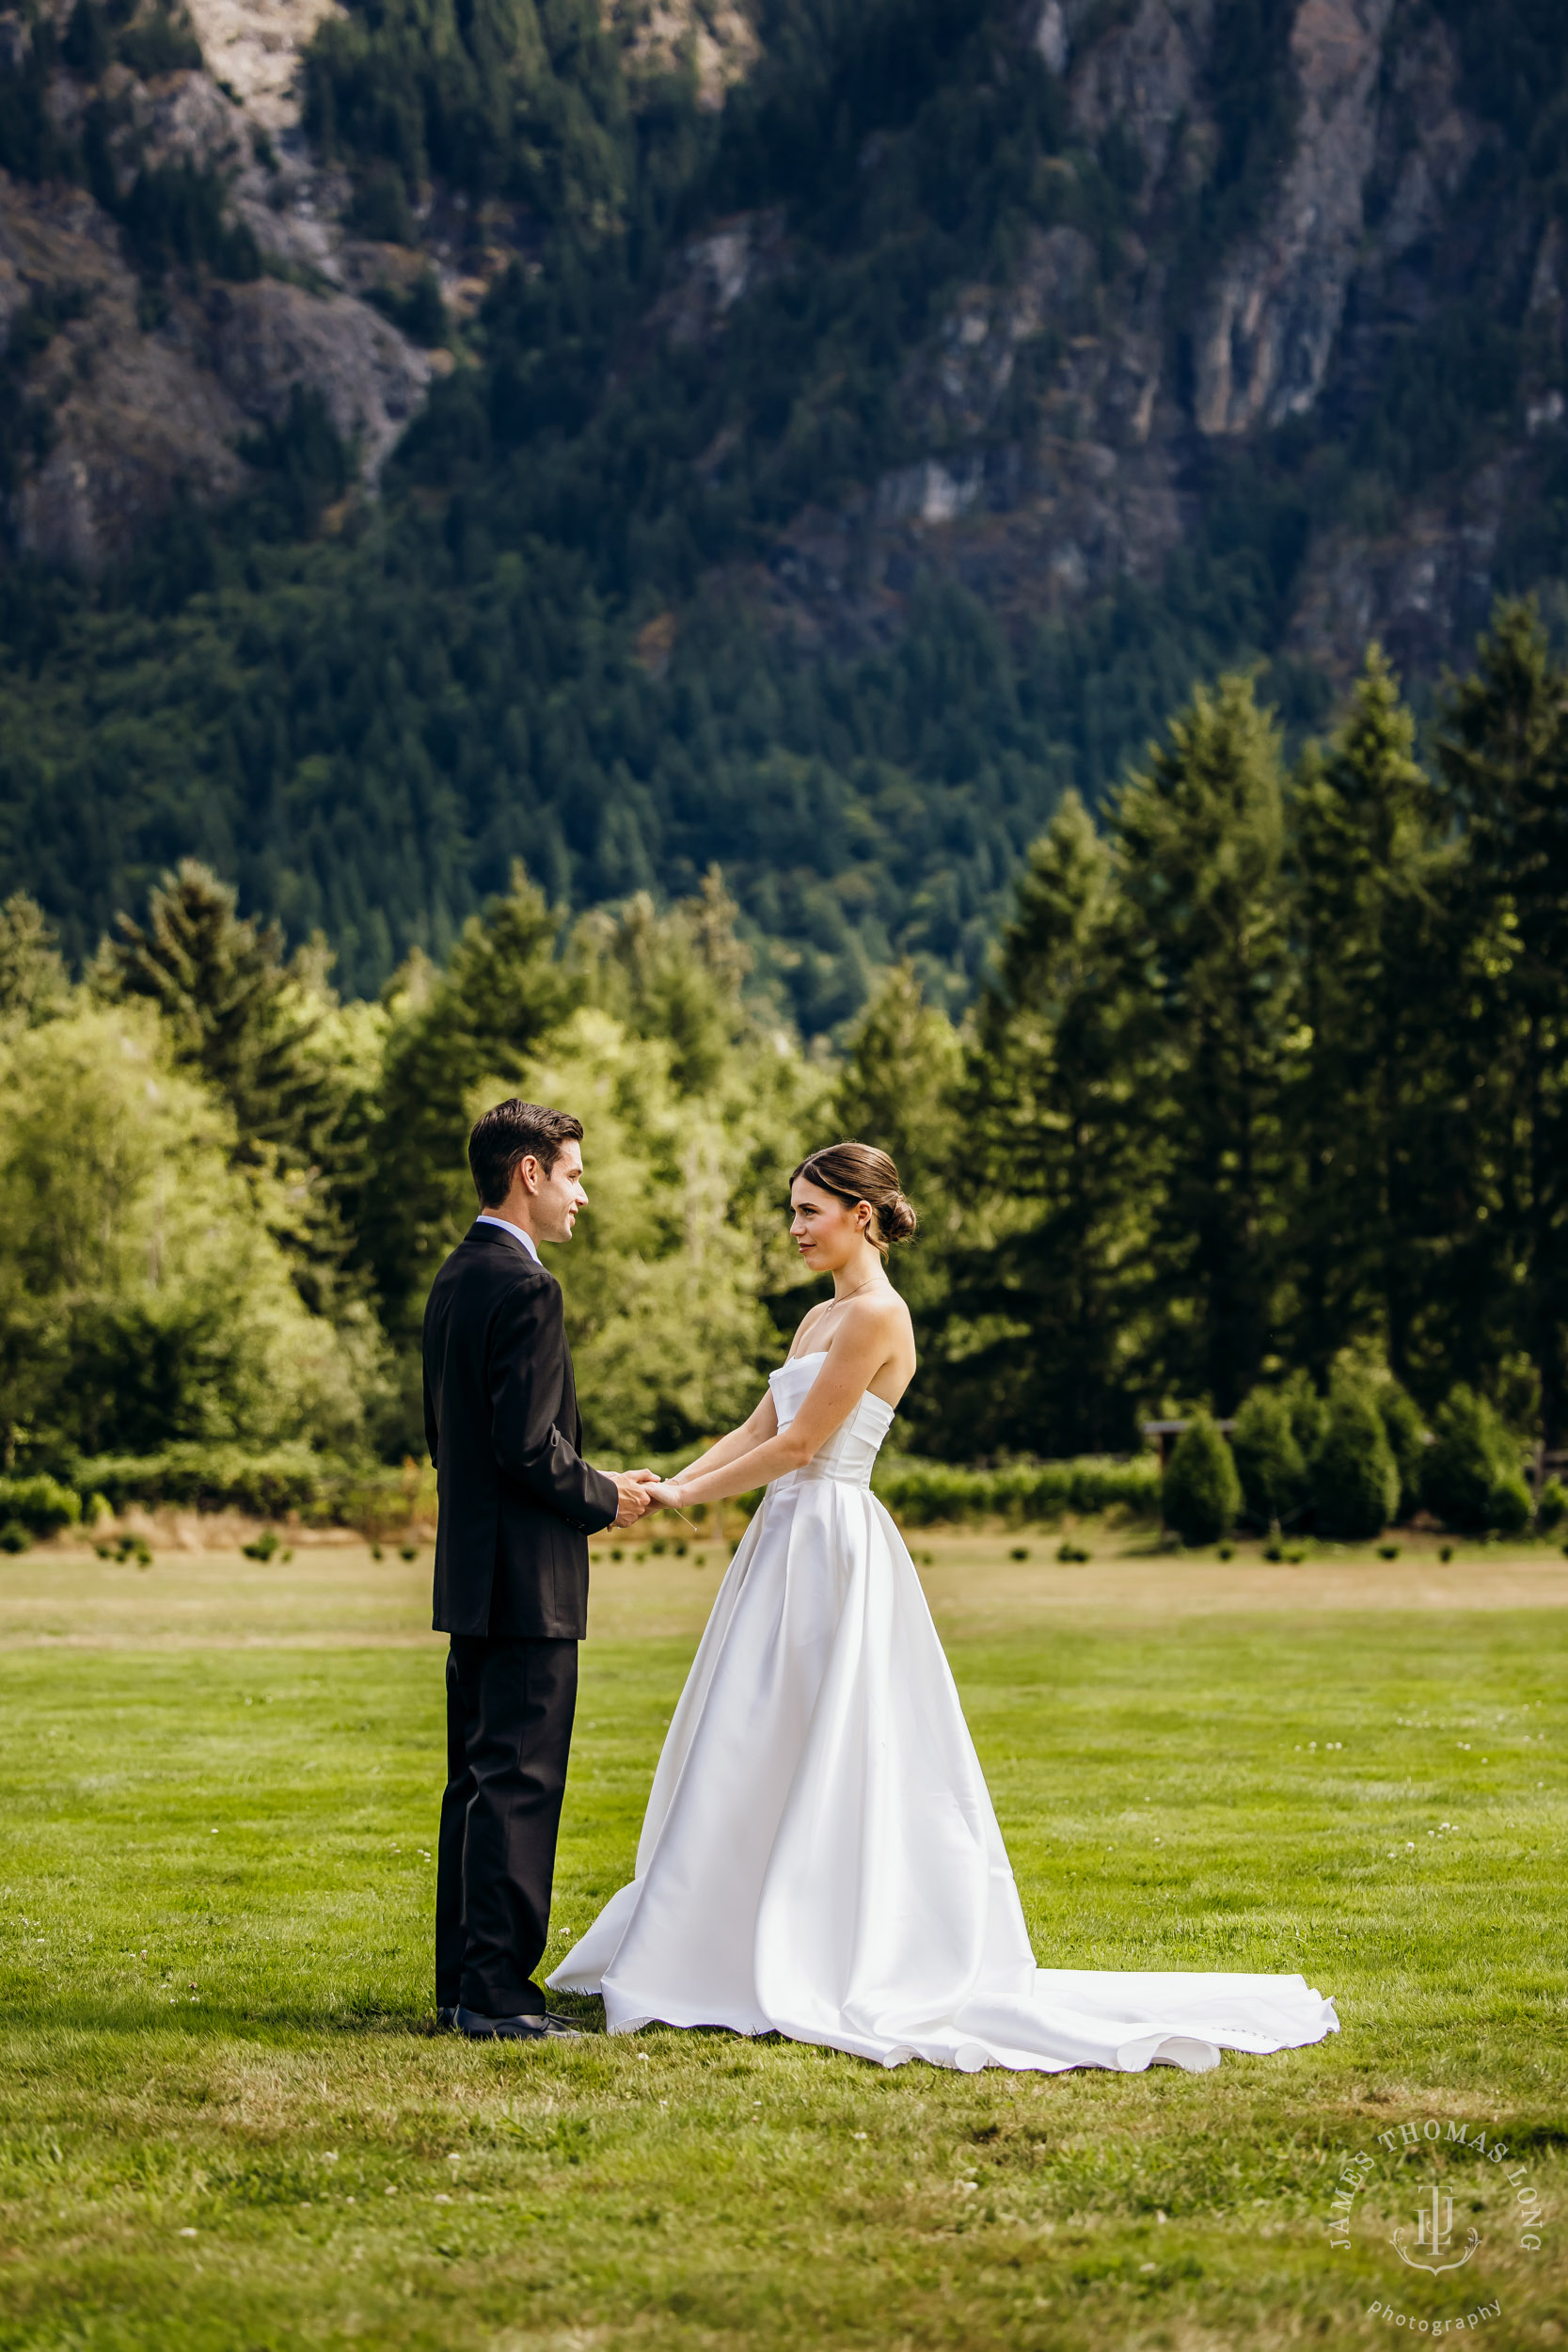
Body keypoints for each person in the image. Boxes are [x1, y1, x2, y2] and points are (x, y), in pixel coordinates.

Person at [550, 1141, 1338, 2074]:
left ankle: (821, 1947)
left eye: (811, 1210)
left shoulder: (879, 1317)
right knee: (749, 1733)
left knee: (829, 1733)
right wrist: (664, 1484)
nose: (795, 1227)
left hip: (832, 1540)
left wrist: (682, 1504)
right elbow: (755, 1429)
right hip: (781, 1543)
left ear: (863, 1216)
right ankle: (716, 1937)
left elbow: (804, 1444)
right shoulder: (817, 1318)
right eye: (793, 1210)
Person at [423, 1099, 657, 2041]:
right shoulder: (527, 1288)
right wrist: (607, 1495)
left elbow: (448, 1436)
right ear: (528, 1172)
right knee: (518, 1785)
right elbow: (528, 1445)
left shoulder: (454, 1276)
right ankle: (498, 1999)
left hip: (471, 1576)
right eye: (570, 1174)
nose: (580, 1196)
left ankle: (462, 1985)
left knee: (475, 1787)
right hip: (527, 1582)